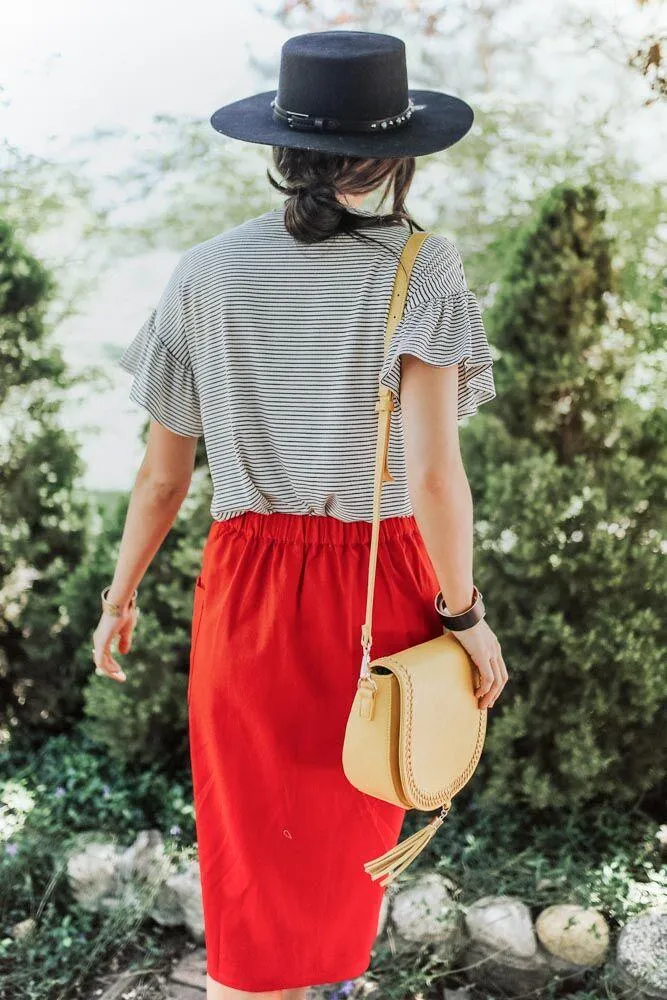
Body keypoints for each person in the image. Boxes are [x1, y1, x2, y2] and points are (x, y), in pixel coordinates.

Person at [91, 28, 508, 1000]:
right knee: (344, 851)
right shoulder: (421, 266)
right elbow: (434, 474)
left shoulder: (202, 272)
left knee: (251, 867)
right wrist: (465, 614)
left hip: (244, 594)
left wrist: (120, 596)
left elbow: (161, 478)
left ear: (284, 151)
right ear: (396, 156)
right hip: (378, 588)